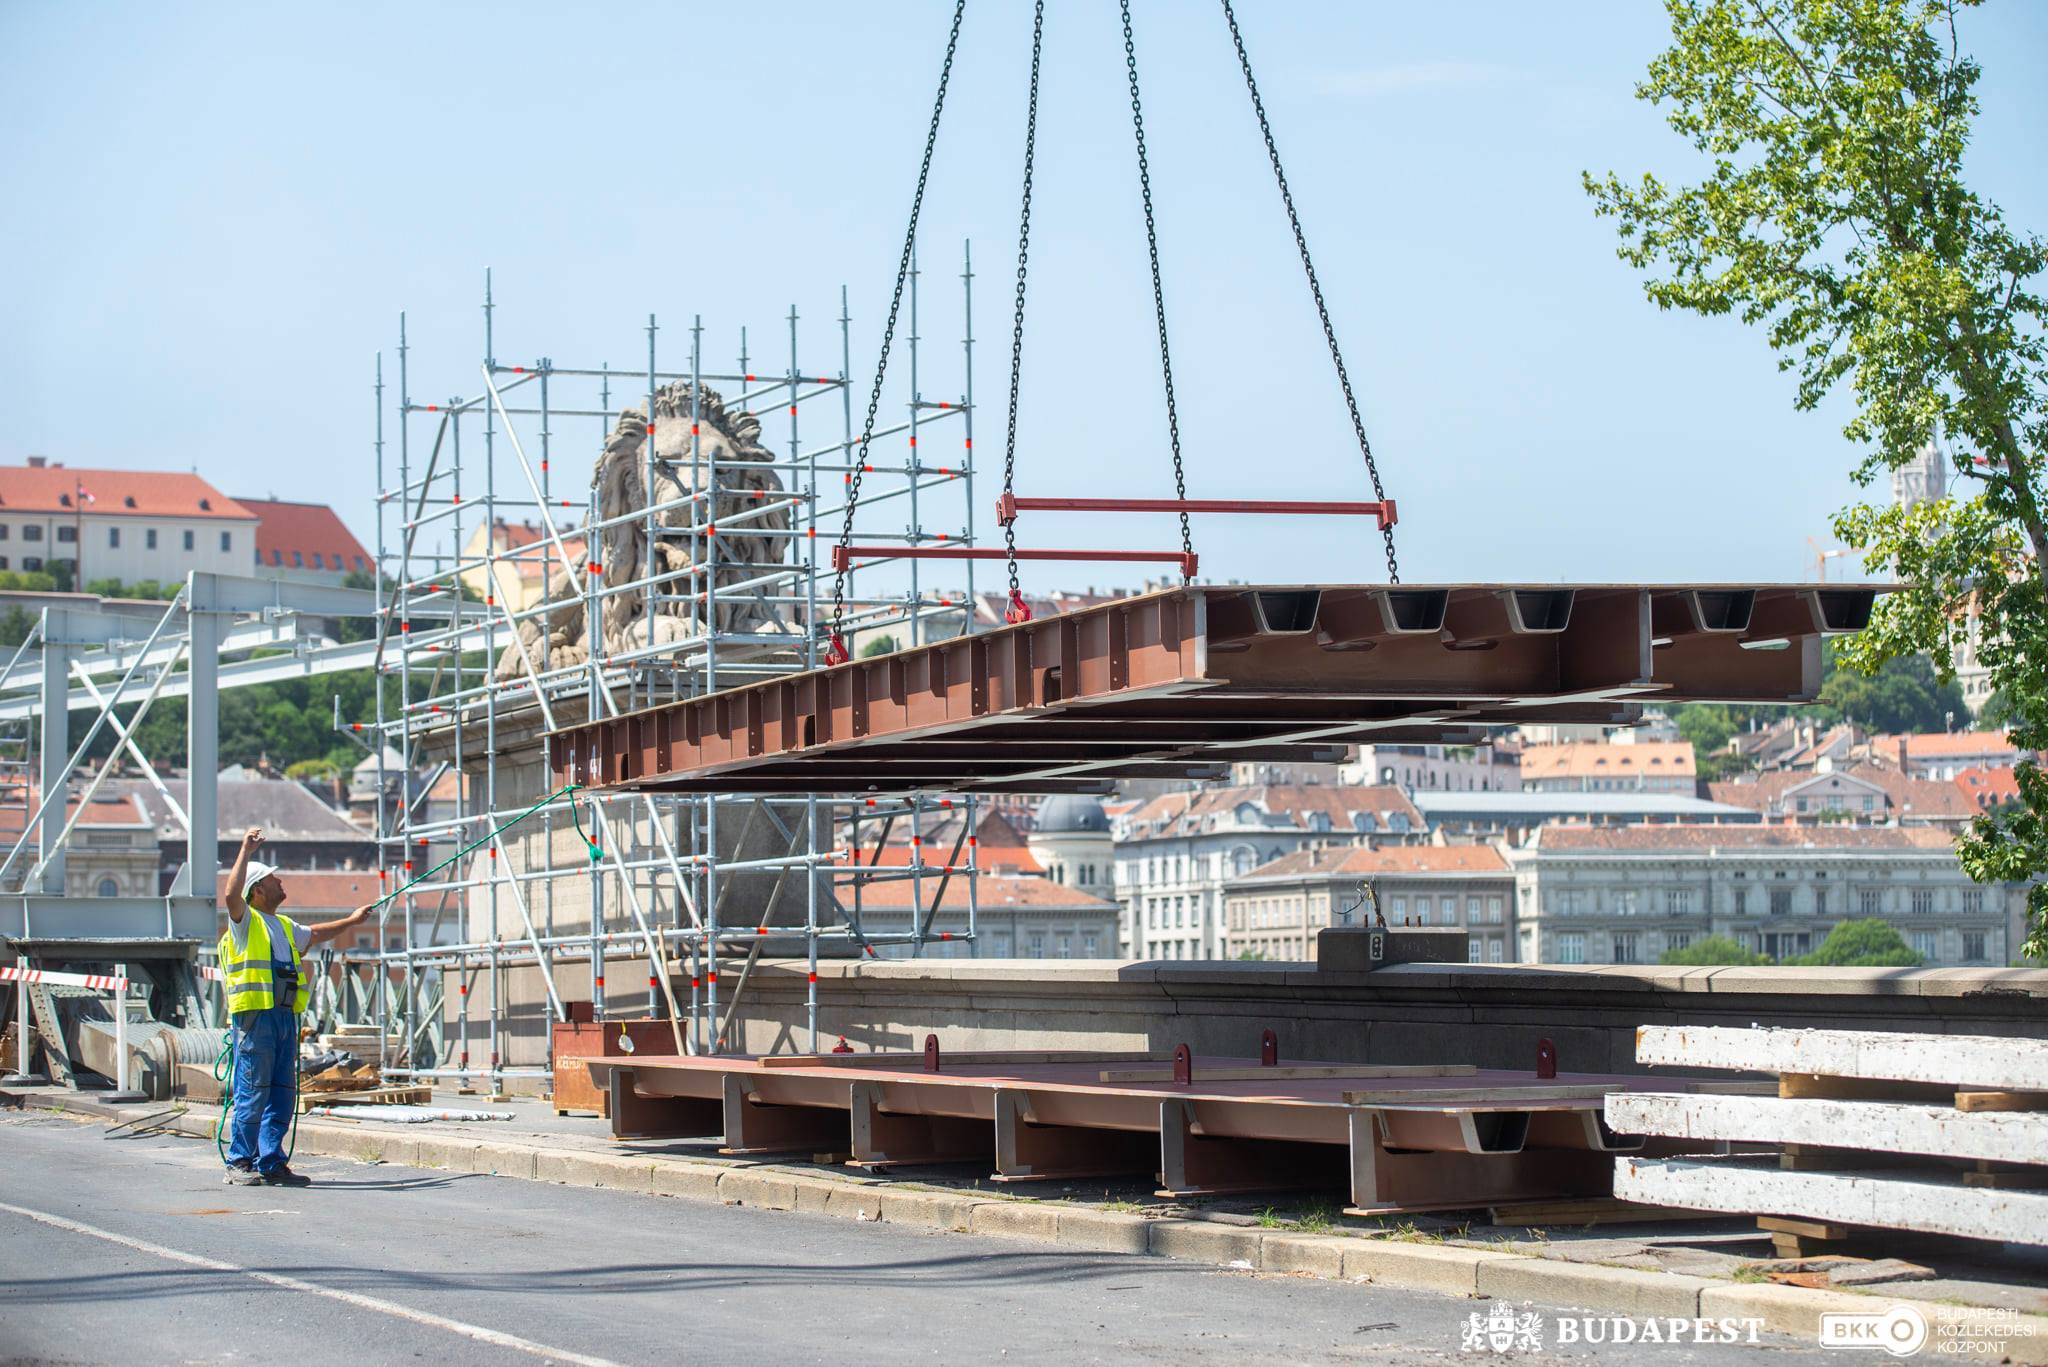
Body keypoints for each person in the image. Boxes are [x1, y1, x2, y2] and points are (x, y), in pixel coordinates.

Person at [218, 826, 373, 1186]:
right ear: (258, 890)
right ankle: (240, 1162)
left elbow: (315, 934)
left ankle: (271, 1161)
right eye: (274, 879)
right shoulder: (245, 923)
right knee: (253, 1090)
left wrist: (351, 921)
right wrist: (245, 849)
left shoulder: (284, 926)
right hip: (256, 1017)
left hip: (285, 1018)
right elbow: (230, 895)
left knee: (283, 1094)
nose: (281, 882)